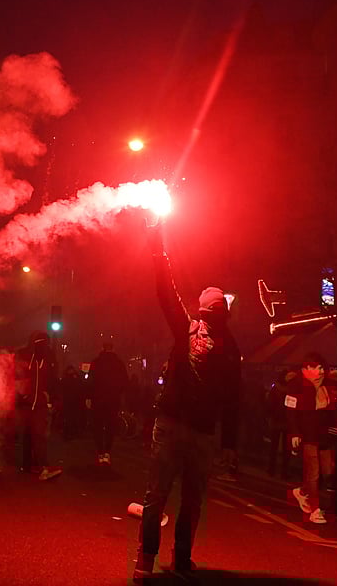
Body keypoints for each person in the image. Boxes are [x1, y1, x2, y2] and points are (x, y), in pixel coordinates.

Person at [134, 226, 241, 583]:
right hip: (199, 431)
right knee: (188, 500)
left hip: (176, 425)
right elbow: (234, 398)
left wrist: (157, 250)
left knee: (158, 496)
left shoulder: (189, 329)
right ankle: (178, 561)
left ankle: (146, 563)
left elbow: (166, 292)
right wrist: (229, 442)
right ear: (222, 309)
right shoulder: (227, 344)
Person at [285, 352, 337, 524]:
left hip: (324, 436)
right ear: (306, 369)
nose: (321, 371)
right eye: (317, 368)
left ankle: (303, 492)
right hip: (307, 435)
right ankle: (315, 509)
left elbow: (332, 407)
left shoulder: (326, 386)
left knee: (328, 470)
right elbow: (290, 412)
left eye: (322, 368)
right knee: (313, 472)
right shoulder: (296, 386)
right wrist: (295, 433)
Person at [15, 331, 62, 481]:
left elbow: (54, 380)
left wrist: (51, 398)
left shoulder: (46, 357)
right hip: (29, 402)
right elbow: (16, 375)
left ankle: (37, 466)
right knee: (33, 434)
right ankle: (36, 466)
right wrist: (22, 394)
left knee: (35, 434)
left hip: (37, 402)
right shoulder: (27, 355)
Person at [87, 342, 127, 466]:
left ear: (102, 348)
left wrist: (89, 397)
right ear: (113, 348)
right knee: (110, 426)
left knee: (98, 426)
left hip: (98, 399)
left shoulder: (96, 362)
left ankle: (100, 452)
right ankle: (107, 453)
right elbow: (125, 381)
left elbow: (91, 381)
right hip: (113, 399)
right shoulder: (119, 363)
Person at [266, 371, 292, 479]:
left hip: (276, 420)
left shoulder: (275, 389)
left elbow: (269, 404)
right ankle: (284, 472)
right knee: (287, 449)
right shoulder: (291, 390)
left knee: (273, 446)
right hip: (287, 421)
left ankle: (271, 469)